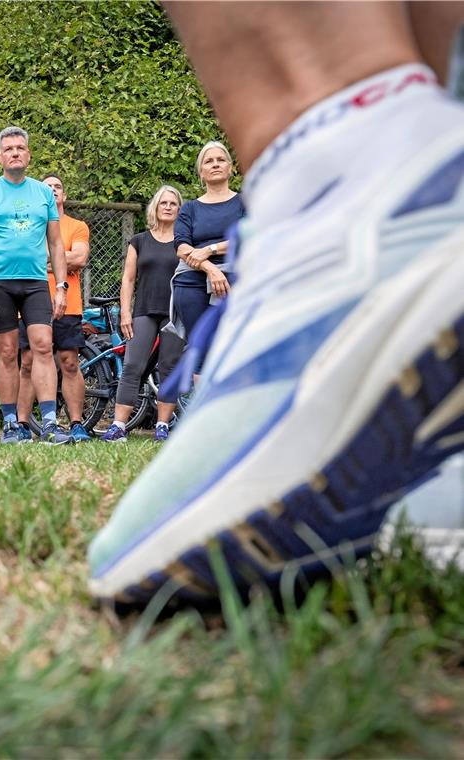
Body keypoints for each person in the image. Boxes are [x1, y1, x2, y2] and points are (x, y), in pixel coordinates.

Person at [88, 2, 464, 606]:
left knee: (320, 102)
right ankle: (423, 151)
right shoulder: (183, 215)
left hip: (303, 223)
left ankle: (341, 173)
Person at [0, 126, 72, 445]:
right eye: (9, 148)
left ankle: (51, 422)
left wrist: (61, 287)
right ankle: (12, 424)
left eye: (20, 148)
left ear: (28, 155)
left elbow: (55, 244)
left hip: (36, 282)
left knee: (42, 344)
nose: (15, 152)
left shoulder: (43, 193)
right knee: (8, 351)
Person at [100, 185, 186, 443]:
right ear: (155, 208)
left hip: (175, 312)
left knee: (169, 368)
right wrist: (125, 312)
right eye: (164, 203)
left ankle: (162, 425)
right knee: (133, 366)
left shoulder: (184, 243)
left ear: (179, 209)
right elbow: (127, 279)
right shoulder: (139, 240)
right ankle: (118, 426)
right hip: (143, 311)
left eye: (173, 203)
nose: (168, 207)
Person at [16, 174, 93, 442]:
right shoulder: (28, 224)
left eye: (58, 186)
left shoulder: (76, 226)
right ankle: (22, 425)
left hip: (68, 303)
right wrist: (61, 259)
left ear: (64, 195)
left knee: (70, 362)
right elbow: (22, 258)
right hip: (27, 303)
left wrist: (44, 260)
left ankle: (76, 424)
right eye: (47, 187)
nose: (53, 190)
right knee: (27, 362)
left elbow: (80, 257)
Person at [168, 141, 245, 373]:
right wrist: (211, 269)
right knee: (201, 349)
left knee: (234, 345)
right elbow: (181, 247)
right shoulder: (190, 208)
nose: (215, 164)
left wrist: (210, 250)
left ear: (230, 167)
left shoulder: (245, 201)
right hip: (191, 282)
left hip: (237, 279)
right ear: (201, 171)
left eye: (220, 160)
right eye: (208, 161)